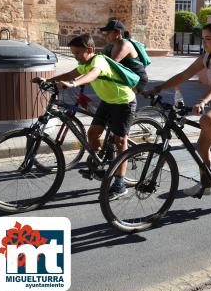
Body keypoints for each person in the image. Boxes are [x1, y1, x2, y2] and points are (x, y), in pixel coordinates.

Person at [146, 22, 211, 196]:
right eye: (203, 39)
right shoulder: (207, 57)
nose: (204, 43)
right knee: (202, 147)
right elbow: (183, 75)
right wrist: (158, 88)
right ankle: (206, 184)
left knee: (207, 120)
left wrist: (203, 100)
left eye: (208, 39)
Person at [32, 34, 137, 200]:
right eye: (73, 54)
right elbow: (71, 73)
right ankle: (99, 166)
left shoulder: (98, 61)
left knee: (120, 142)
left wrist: (74, 84)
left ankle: (120, 184)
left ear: (90, 50)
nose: (76, 57)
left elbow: (93, 74)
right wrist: (48, 80)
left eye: (78, 53)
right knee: (92, 133)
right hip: (108, 102)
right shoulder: (84, 63)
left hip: (123, 102)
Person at [101, 19, 149, 92]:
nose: (106, 35)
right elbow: (100, 59)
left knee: (118, 99)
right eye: (106, 32)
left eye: (109, 32)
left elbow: (111, 64)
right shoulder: (110, 45)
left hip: (136, 79)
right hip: (125, 77)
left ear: (118, 32)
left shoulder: (124, 45)